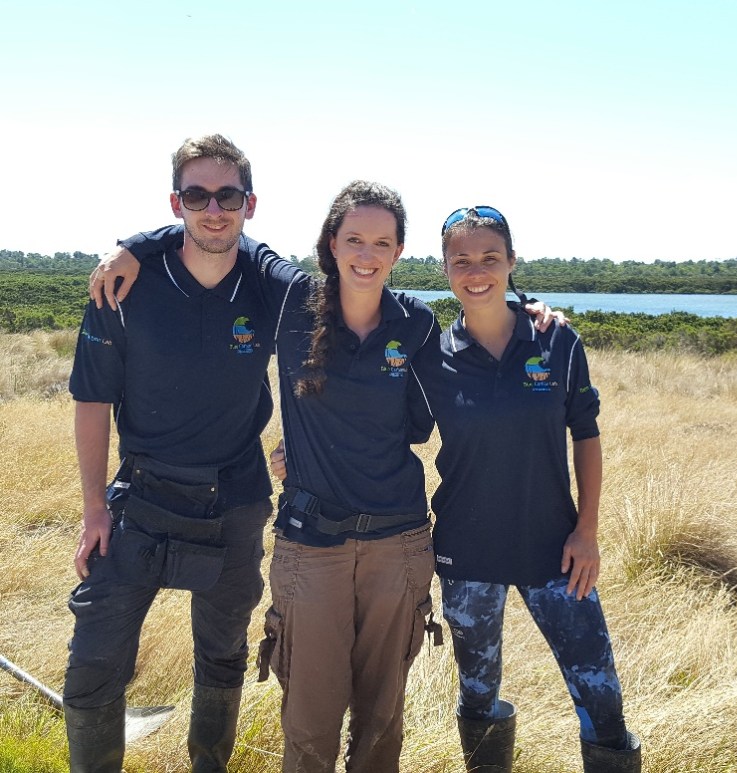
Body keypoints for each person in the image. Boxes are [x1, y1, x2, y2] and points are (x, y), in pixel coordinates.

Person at [93, 184, 563, 773]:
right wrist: (135, 245)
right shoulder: (293, 306)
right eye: (355, 239)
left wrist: (533, 317)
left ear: (398, 253)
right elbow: (223, 233)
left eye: (382, 243)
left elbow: (468, 365)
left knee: (382, 723)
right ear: (332, 244)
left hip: (400, 544)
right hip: (311, 546)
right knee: (309, 727)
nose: (367, 254)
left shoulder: (415, 323)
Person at [65, 134, 276, 772]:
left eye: (228, 195)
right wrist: (94, 508)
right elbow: (91, 401)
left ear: (250, 202)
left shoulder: (267, 289)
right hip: (144, 496)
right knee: (94, 662)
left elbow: (344, 303)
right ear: (176, 201)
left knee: (222, 656)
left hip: (236, 499)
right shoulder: (124, 287)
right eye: (196, 195)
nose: (214, 209)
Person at [423, 205, 641, 772]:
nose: (477, 271)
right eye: (462, 260)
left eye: (490, 258)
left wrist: (587, 530)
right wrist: (293, 449)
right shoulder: (433, 357)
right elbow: (373, 417)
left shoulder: (557, 341)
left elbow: (586, 435)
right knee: (477, 694)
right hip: (466, 554)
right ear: (444, 269)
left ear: (512, 262)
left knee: (601, 699)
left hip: (556, 548)